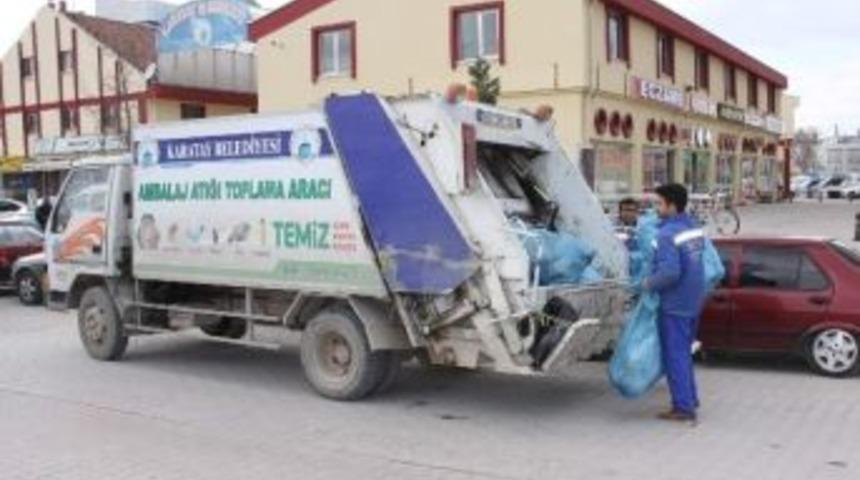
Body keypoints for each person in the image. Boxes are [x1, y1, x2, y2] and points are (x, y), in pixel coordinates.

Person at [643, 183, 706, 423]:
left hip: (675, 303)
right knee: (684, 353)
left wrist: (647, 284)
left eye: (659, 203)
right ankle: (690, 399)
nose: (656, 208)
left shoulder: (667, 234)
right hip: (693, 299)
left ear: (672, 204)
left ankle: (683, 408)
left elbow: (670, 273)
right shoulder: (693, 228)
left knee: (675, 355)